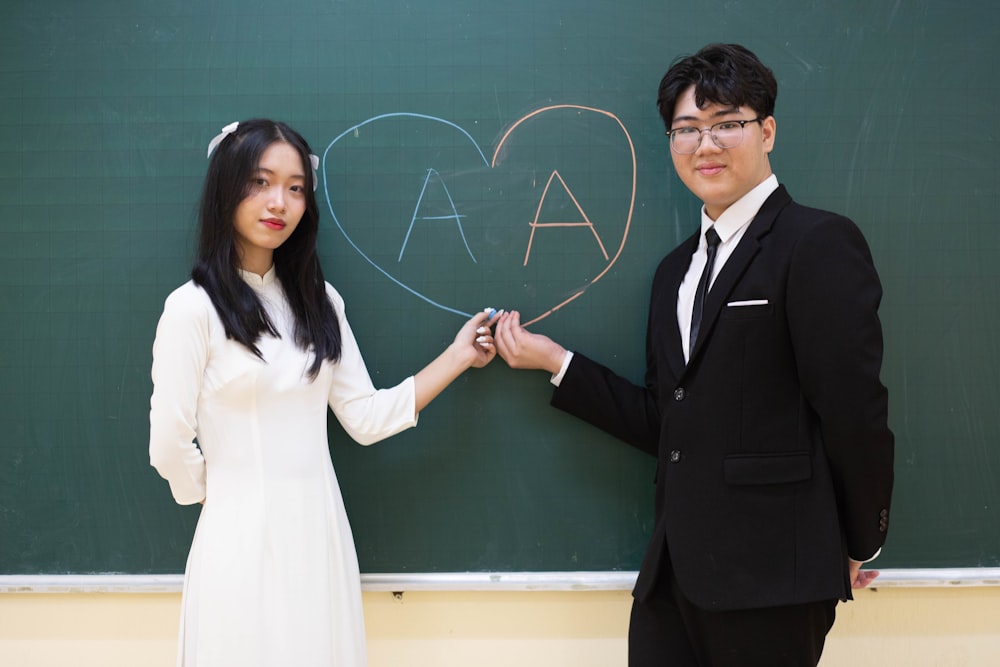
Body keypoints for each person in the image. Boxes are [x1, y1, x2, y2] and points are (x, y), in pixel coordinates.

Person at [494, 44, 894, 666]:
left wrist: (859, 538)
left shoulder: (815, 243)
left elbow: (854, 408)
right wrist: (556, 364)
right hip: (671, 577)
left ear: (766, 131)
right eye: (686, 130)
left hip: (772, 578)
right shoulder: (673, 272)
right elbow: (669, 422)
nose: (705, 145)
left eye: (726, 124)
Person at [148, 118, 496, 666]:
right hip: (236, 544)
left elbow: (366, 416)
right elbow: (168, 443)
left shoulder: (320, 301)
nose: (278, 202)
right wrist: (216, 495)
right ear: (225, 188)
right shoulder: (191, 308)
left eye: (295, 188)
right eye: (259, 182)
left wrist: (458, 357)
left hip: (320, 536)